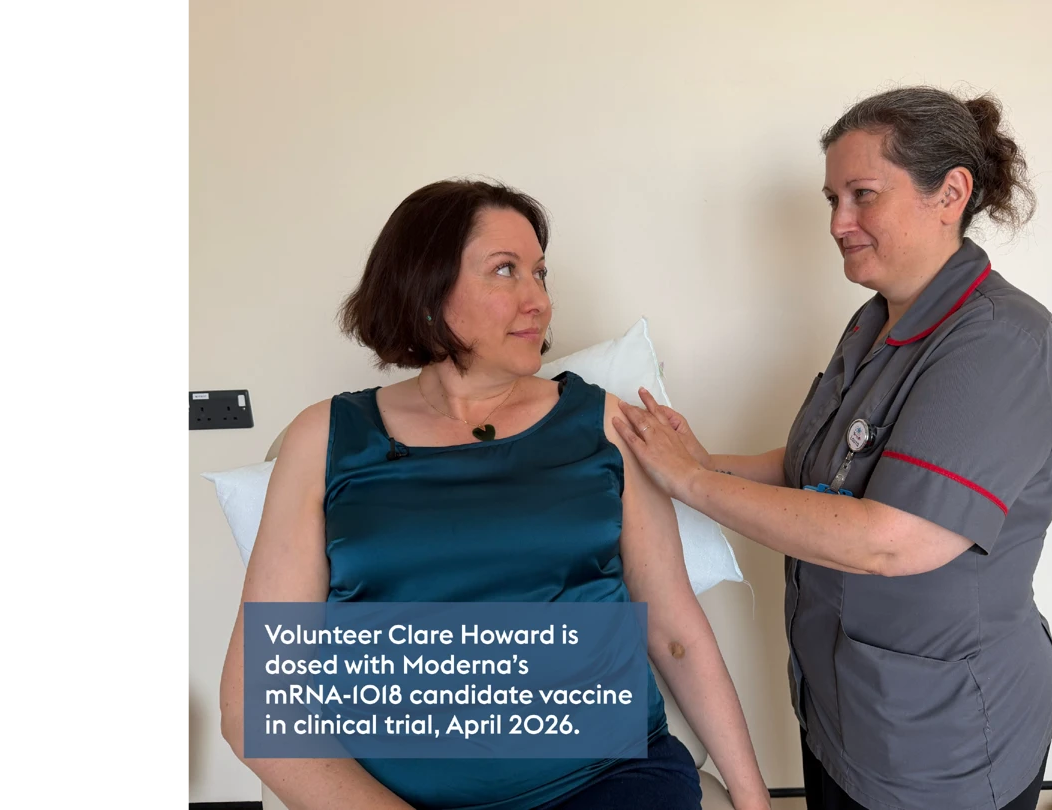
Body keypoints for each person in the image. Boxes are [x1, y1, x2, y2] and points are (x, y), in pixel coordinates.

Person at [218, 179, 769, 810]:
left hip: (606, 781)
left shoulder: (604, 426)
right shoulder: (323, 439)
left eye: (540, 273)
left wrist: (754, 801)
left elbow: (675, 633)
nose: (539, 301)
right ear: (426, 287)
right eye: (506, 270)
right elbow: (257, 700)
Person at [612, 87, 1052, 810]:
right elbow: (817, 467)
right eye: (833, 199)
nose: (838, 222)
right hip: (843, 705)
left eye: (863, 195)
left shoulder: (1001, 345)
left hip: (940, 739)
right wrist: (698, 463)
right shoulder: (874, 324)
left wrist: (694, 485)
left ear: (950, 193)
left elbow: (891, 540)